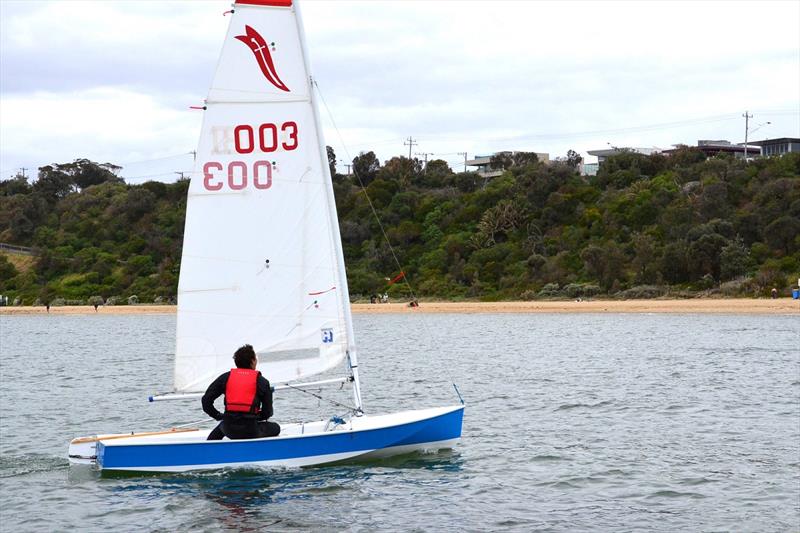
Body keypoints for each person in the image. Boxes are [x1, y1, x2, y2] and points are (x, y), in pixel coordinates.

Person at [202, 344, 280, 440]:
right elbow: (267, 413)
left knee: (222, 426)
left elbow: (206, 401)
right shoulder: (262, 381)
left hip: (229, 429)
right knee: (276, 428)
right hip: (251, 431)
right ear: (252, 361)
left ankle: (209, 448)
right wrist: (256, 417)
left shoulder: (225, 378)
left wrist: (218, 415)